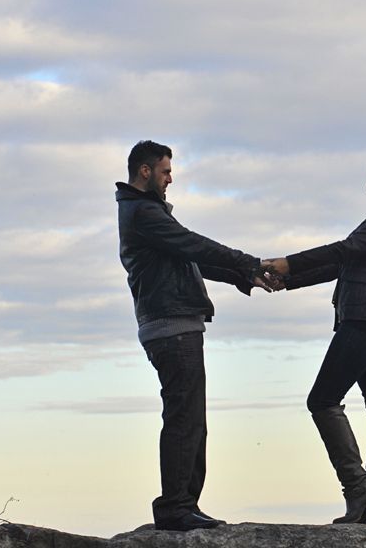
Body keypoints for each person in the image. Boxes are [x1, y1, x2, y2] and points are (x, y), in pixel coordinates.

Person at [262, 151, 366, 526]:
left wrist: (288, 262)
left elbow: (344, 249)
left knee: (321, 400)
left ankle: (359, 490)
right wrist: (286, 280)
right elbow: (343, 263)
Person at [115, 140, 270, 531]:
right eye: (166, 171)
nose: (171, 179)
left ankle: (185, 504)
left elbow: (190, 256)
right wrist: (247, 261)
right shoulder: (143, 213)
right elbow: (193, 244)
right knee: (185, 418)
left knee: (192, 420)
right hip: (171, 327)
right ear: (145, 171)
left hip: (176, 325)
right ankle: (174, 508)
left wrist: (242, 275)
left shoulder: (145, 213)